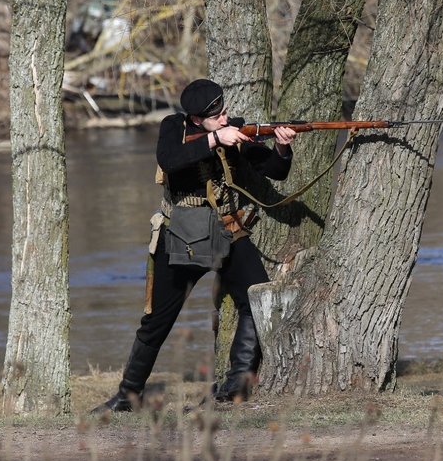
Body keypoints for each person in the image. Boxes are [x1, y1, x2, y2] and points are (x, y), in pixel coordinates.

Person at [92, 79, 296, 413]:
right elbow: (171, 159)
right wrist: (216, 139)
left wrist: (283, 148)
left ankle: (237, 385)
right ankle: (128, 396)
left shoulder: (234, 131)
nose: (225, 118)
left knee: (256, 298)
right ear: (198, 119)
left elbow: (275, 170)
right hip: (180, 236)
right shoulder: (173, 127)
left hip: (228, 228)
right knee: (156, 321)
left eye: (225, 112)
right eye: (217, 116)